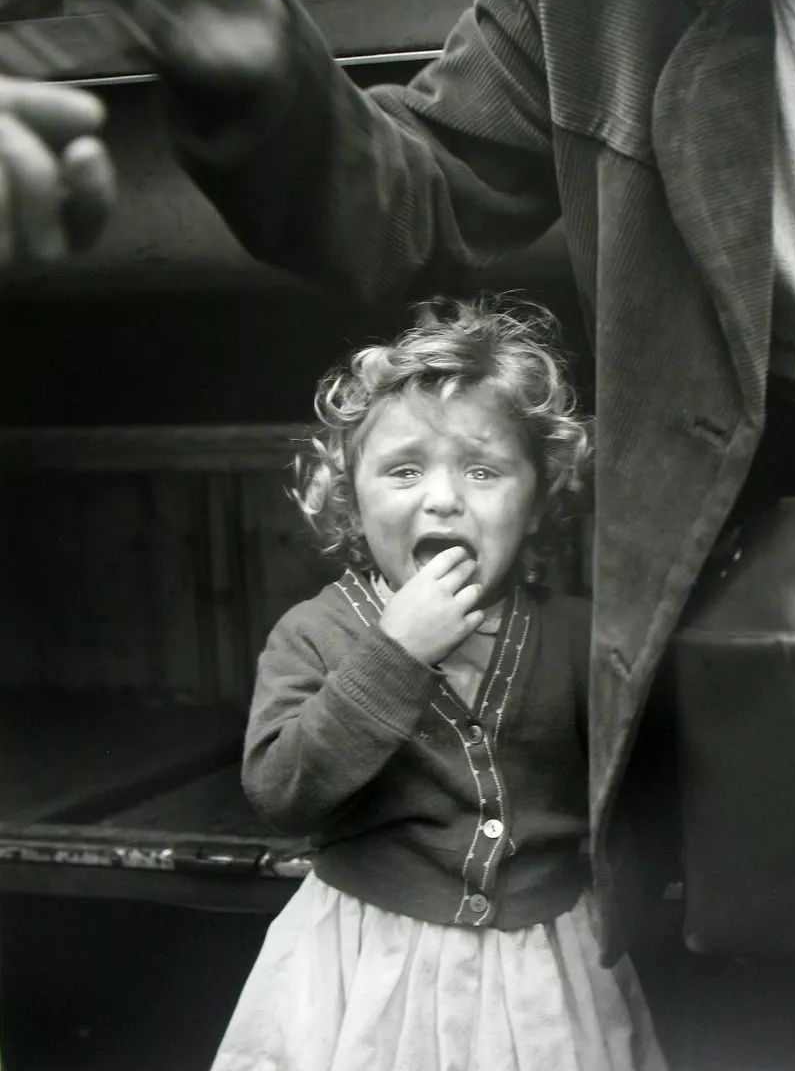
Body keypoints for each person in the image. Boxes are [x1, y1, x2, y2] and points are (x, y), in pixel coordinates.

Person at [4, 0, 795, 1064]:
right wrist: (262, 79)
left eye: (477, 469)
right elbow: (414, 200)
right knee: (740, 985)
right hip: (724, 527)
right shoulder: (586, 9)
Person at [210, 297, 667, 1071]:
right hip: (367, 970)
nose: (444, 498)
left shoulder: (577, 636)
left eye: (484, 470)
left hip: (542, 971)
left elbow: (642, 789)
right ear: (351, 495)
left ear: (538, 498)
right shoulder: (315, 632)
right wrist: (395, 652)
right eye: (404, 469)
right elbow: (284, 793)